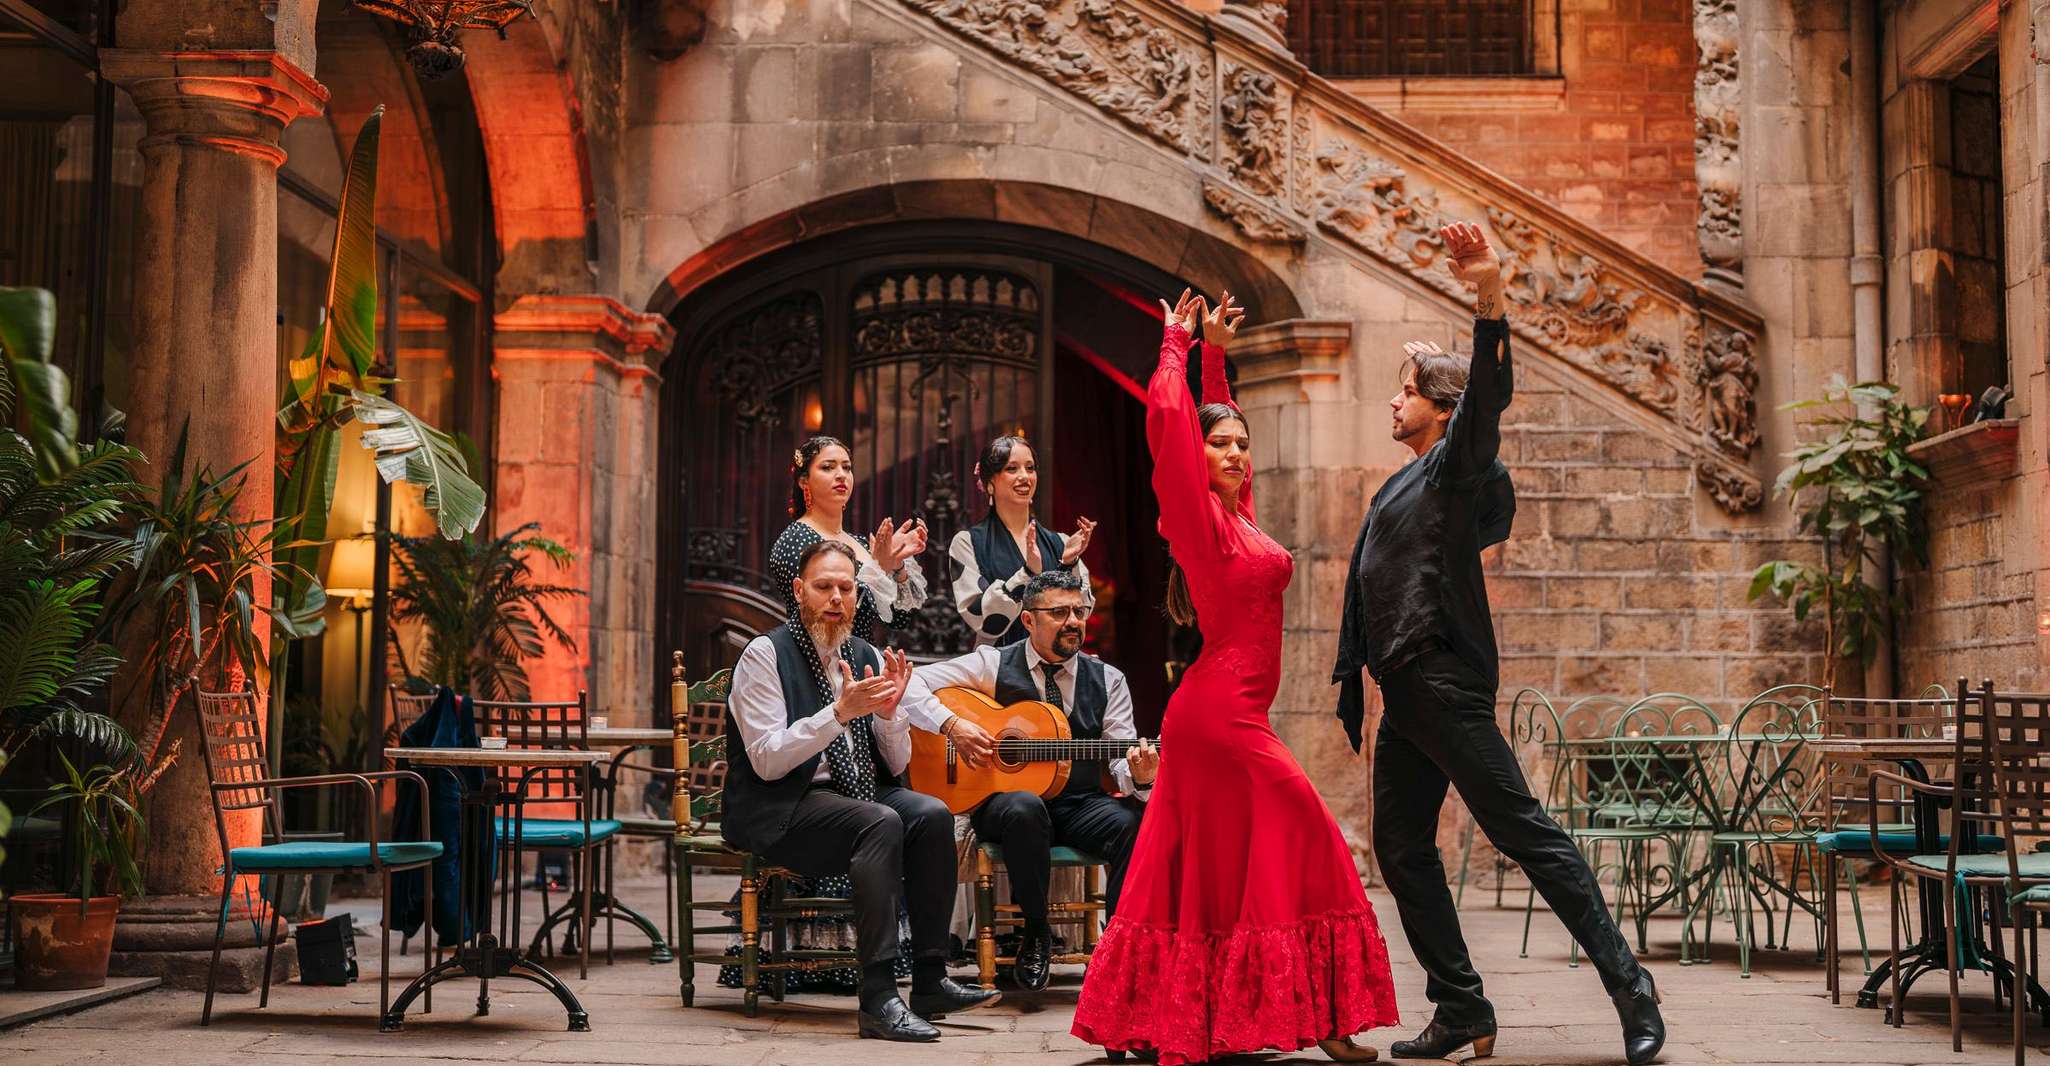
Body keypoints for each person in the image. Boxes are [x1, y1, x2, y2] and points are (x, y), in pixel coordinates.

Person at [1330, 222, 1665, 1065]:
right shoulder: (1404, 480)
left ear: (1442, 409)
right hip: (1404, 695)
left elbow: (1489, 403)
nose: (1392, 401)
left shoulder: (1451, 465)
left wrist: (1488, 296)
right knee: (1403, 849)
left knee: (1526, 834)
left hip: (1441, 681)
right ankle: (1462, 1008)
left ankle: (1632, 989)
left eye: (1406, 391)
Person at [1071, 289, 1398, 1066]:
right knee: (1312, 834)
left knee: (1214, 873)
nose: (1236, 456)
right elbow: (1171, 429)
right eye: (1222, 448)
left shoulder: (1238, 515)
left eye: (1244, 447)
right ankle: (1321, 1019)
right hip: (1219, 720)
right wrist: (1175, 347)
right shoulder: (1196, 519)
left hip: (1229, 716)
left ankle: (1195, 1018)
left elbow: (1217, 430)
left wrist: (1217, 359)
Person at [721, 539, 1000, 1041]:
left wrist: (891, 718)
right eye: (823, 587)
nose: (835, 598)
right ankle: (877, 998)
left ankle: (932, 979)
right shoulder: (764, 655)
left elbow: (892, 766)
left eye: (845, 588)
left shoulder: (864, 654)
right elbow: (766, 761)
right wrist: (839, 714)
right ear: (799, 591)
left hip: (851, 800)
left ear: (856, 595)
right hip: (781, 807)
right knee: (881, 820)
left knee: (931, 813)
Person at [911, 568, 1156, 990]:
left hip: (1077, 803)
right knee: (1024, 808)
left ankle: (1119, 949)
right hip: (1005, 804)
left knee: (1130, 824)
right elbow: (913, 682)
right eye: (1059, 612)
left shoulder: (1108, 679)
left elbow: (1119, 759)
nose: (1073, 621)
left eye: (1079, 611)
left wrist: (1141, 776)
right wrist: (954, 726)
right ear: (1028, 620)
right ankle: (1037, 932)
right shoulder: (992, 663)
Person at [769, 435, 928, 642]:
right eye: (828, 467)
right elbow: (829, 611)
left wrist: (896, 565)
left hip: (863, 660)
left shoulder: (860, 543)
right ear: (803, 481)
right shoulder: (794, 539)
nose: (841, 475)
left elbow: (897, 620)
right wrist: (879, 566)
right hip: (816, 660)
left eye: (847, 467)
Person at [950, 434, 1098, 647]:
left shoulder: (1061, 543)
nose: (1025, 476)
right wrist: (1026, 574)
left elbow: (1082, 612)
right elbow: (981, 619)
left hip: (1057, 666)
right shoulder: (968, 543)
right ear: (989, 483)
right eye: (1012, 469)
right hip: (998, 667)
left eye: (1030, 468)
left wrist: (1068, 565)